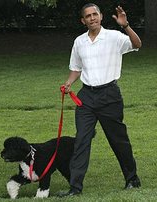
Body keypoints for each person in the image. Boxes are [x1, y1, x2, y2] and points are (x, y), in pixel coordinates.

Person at [59, 3, 142, 197]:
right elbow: (76, 68)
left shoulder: (114, 37)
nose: (92, 18)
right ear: (83, 20)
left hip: (110, 96)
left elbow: (137, 45)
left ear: (101, 16)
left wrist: (126, 26)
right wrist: (69, 83)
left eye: (94, 14)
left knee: (118, 140)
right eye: (87, 16)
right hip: (86, 97)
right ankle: (75, 188)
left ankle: (132, 179)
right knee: (81, 141)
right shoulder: (79, 42)